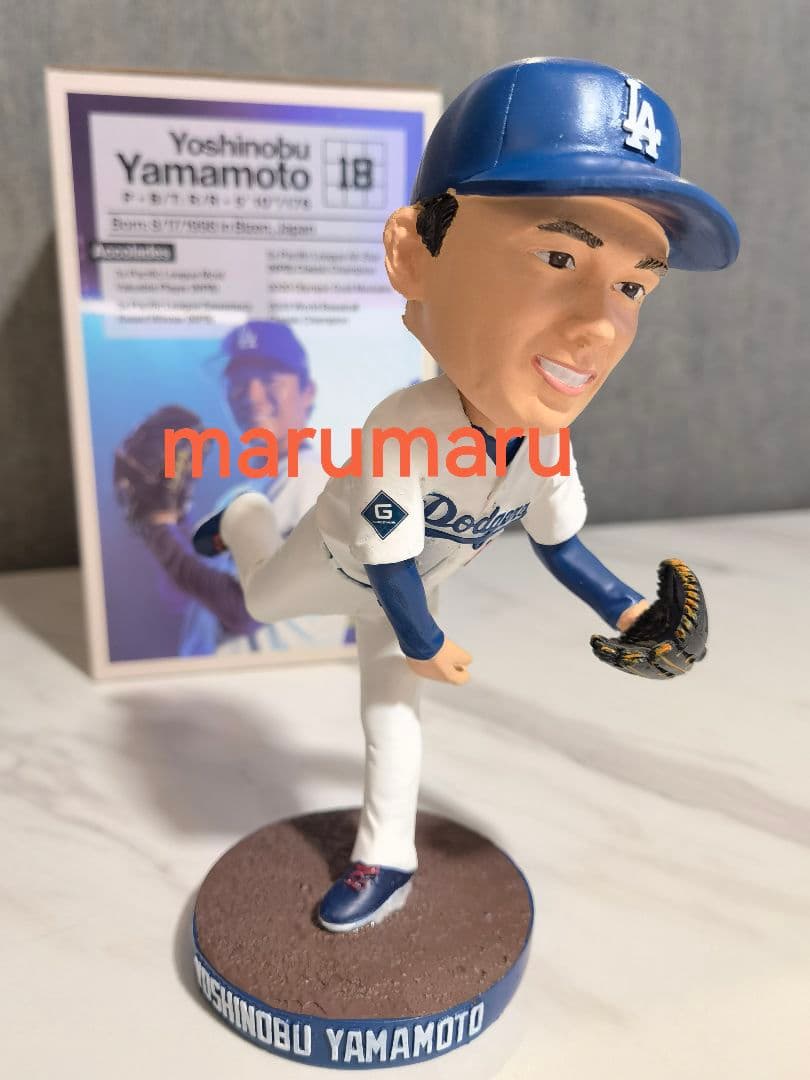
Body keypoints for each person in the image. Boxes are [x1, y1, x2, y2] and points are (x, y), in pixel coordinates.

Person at [193, 59, 738, 932]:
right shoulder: (403, 425)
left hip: (416, 589)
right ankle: (246, 514)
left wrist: (631, 611)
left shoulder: (545, 441)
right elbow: (389, 566)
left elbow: (559, 543)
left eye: (633, 285)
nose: (600, 323)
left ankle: (386, 858)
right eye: (558, 256)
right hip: (343, 562)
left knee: (390, 715)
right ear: (414, 254)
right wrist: (427, 639)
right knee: (260, 595)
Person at [131, 320, 349, 655]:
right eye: (239, 381)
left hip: (277, 681)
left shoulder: (315, 482)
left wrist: (158, 530)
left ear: (308, 392)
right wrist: (174, 519)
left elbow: (247, 612)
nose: (251, 395)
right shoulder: (236, 496)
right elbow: (177, 596)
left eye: (269, 379)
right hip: (215, 678)